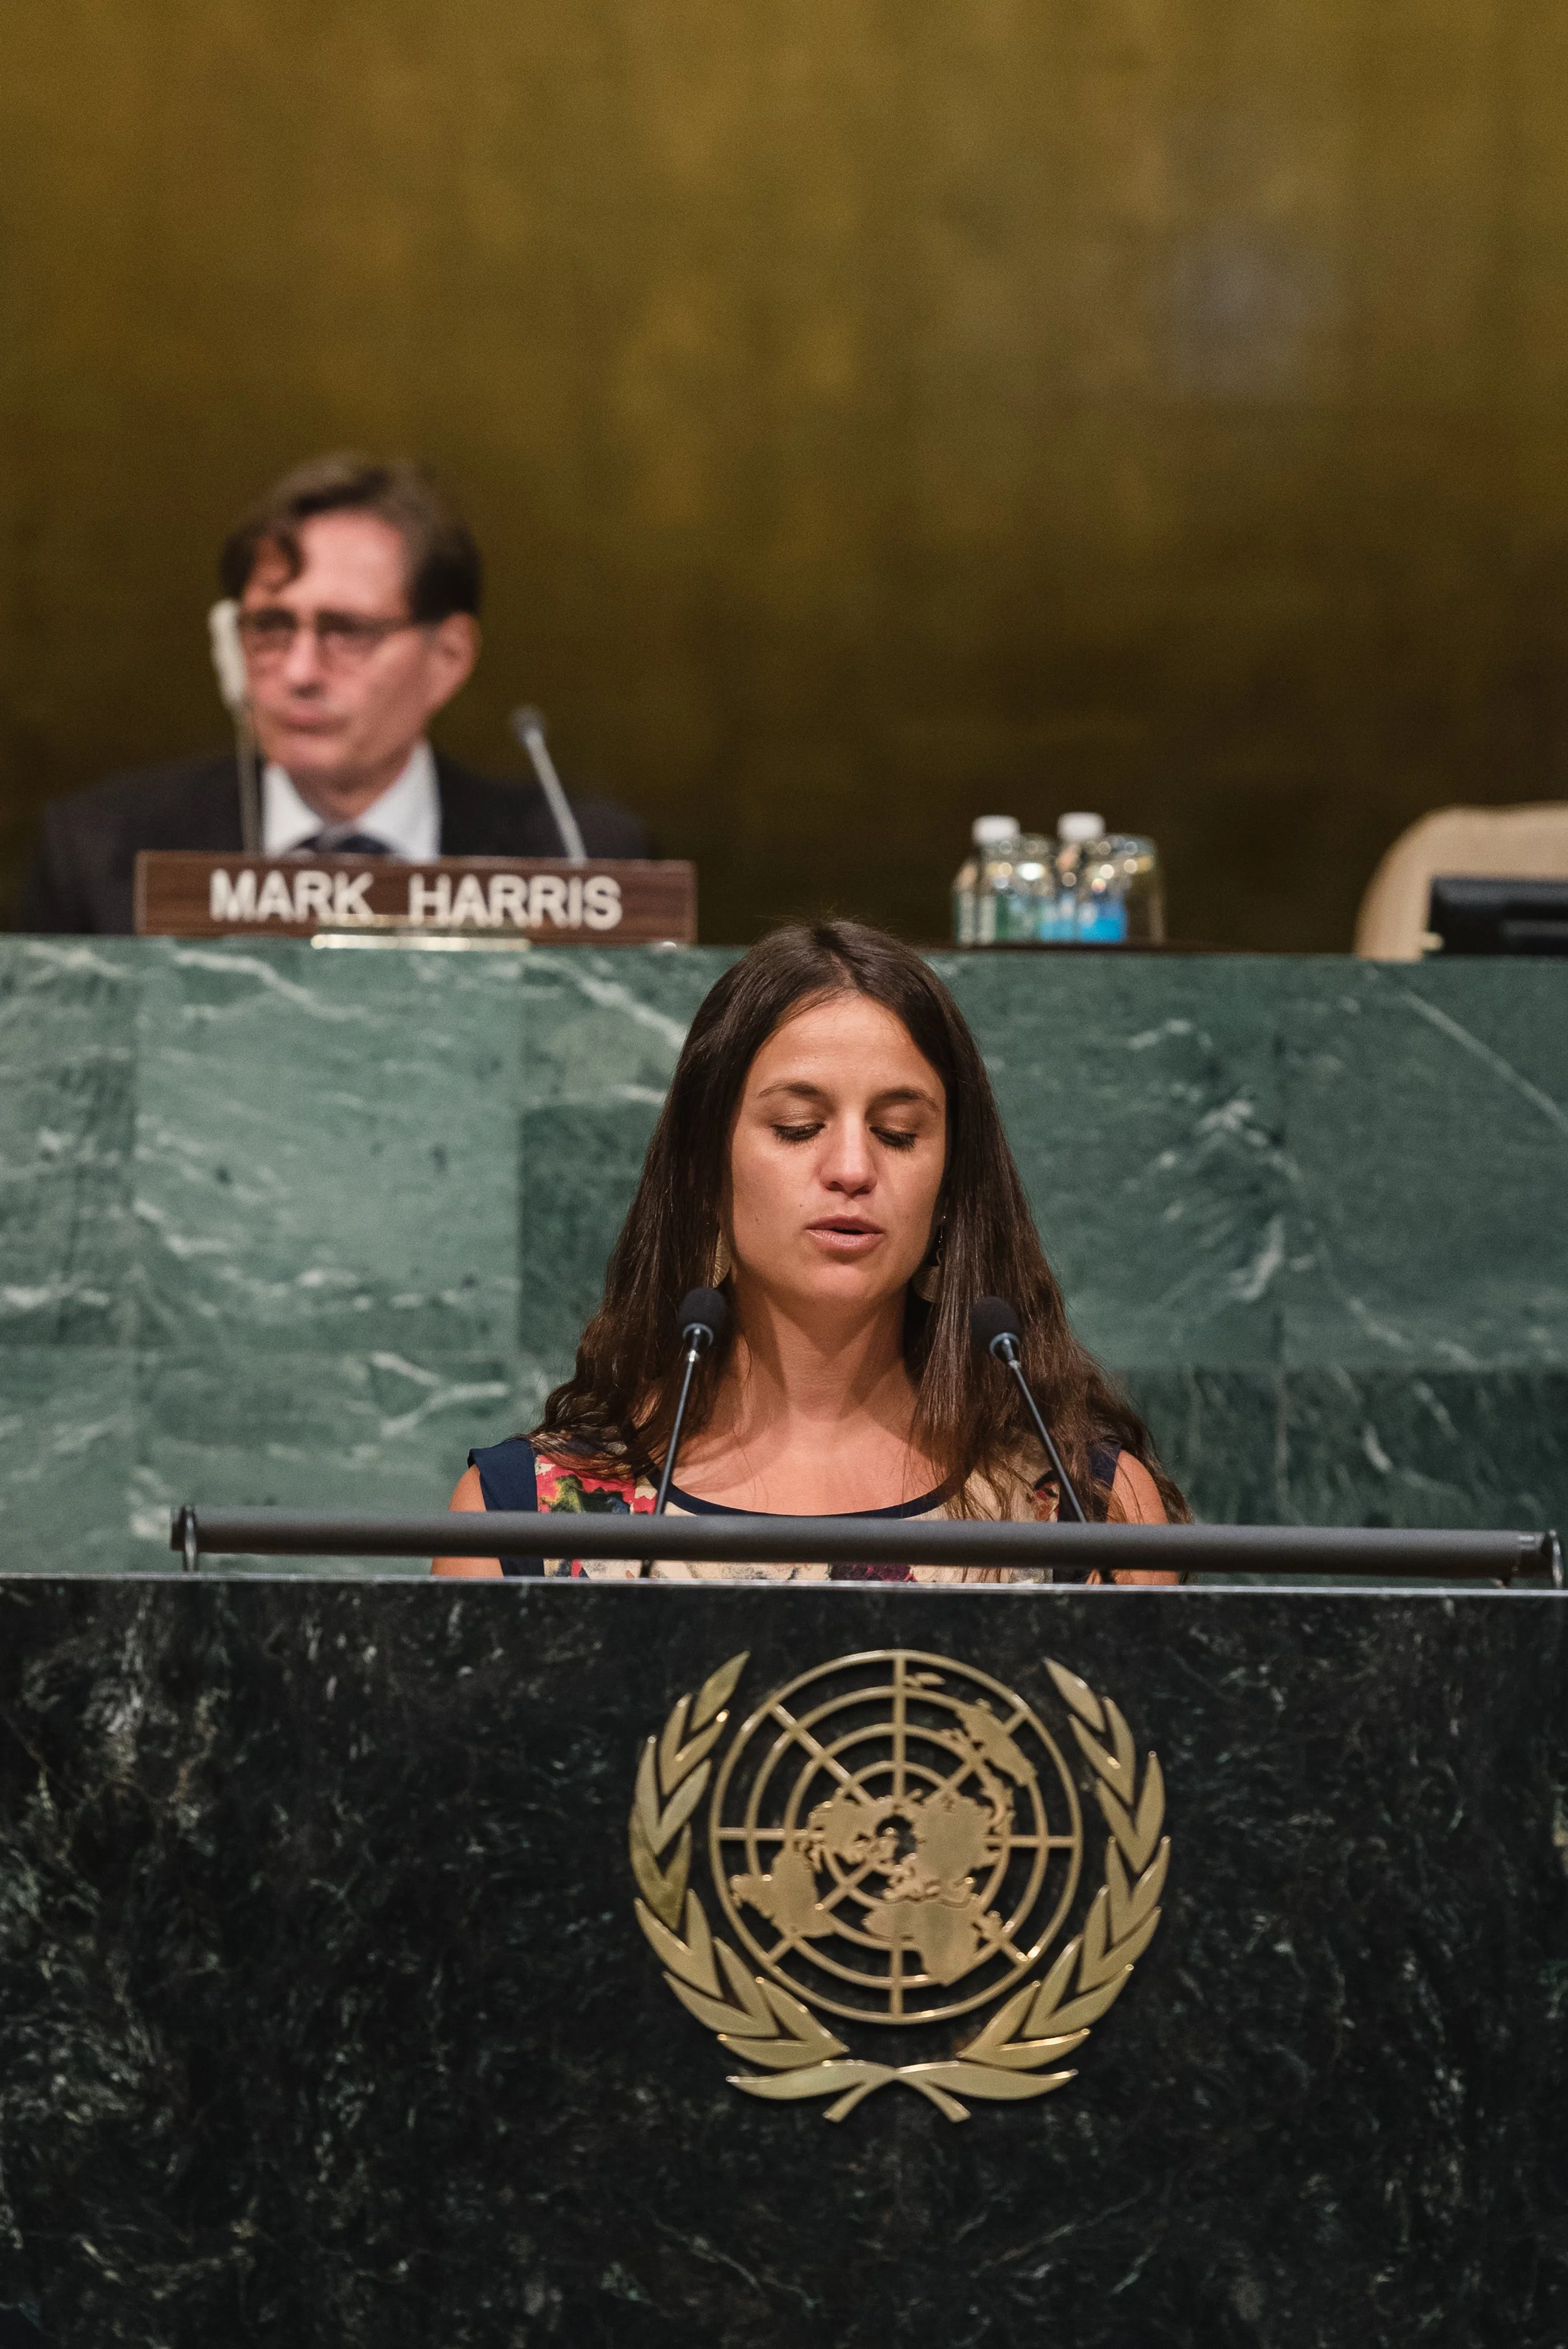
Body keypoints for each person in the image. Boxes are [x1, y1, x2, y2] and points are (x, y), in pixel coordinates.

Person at [435, 921, 1184, 1582]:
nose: (853, 1169)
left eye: (897, 1133)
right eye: (797, 1126)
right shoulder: (524, 1516)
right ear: (704, 1171)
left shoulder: (1086, 1513)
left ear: (951, 1184)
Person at [16, 453, 652, 934]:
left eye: (346, 632)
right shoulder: (105, 853)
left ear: (448, 657)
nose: (298, 671)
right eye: (270, 627)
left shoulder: (579, 861)